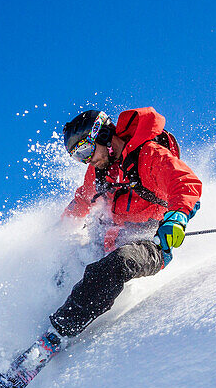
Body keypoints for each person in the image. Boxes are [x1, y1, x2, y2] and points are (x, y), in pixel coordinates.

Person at [47, 108, 203, 339]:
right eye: (79, 157)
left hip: (153, 239)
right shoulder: (99, 170)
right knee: (66, 267)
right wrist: (57, 230)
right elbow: (82, 200)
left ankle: (59, 333)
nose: (88, 160)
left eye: (87, 151)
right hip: (111, 236)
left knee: (117, 264)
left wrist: (177, 217)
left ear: (102, 136)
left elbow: (184, 181)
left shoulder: (148, 155)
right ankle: (39, 325)